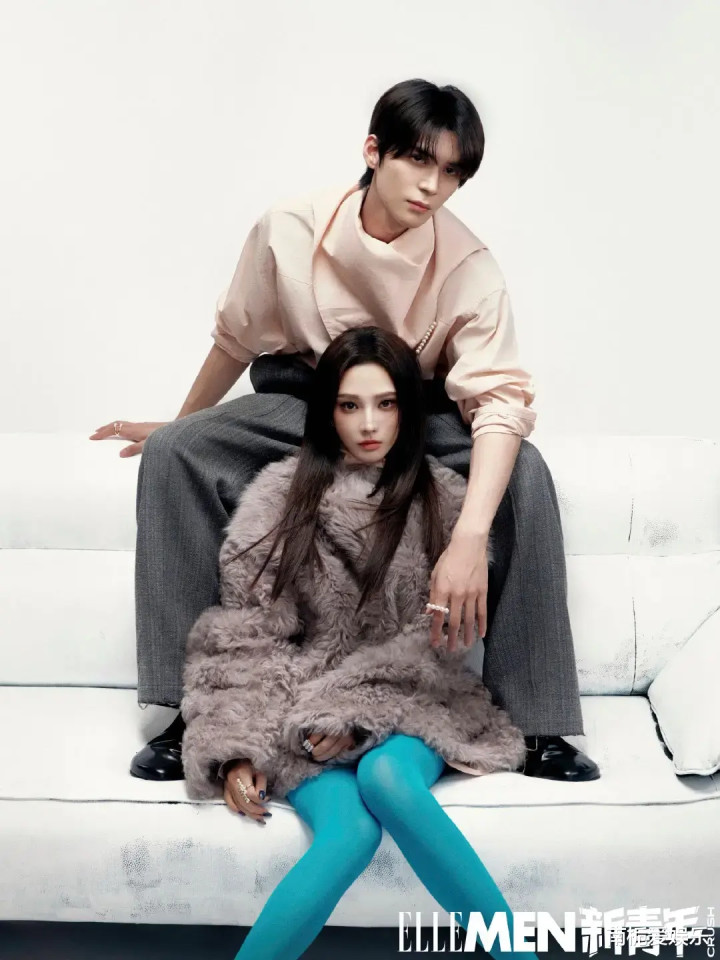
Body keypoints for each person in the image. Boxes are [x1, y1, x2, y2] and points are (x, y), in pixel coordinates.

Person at [89, 77, 599, 784]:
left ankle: (540, 725)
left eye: (452, 172)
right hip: (305, 394)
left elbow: (499, 400)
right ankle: (190, 716)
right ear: (373, 150)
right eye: (418, 160)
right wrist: (186, 423)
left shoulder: (470, 267)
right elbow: (237, 336)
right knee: (176, 453)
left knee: (525, 469)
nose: (432, 186)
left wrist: (469, 538)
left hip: (412, 406)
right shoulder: (289, 228)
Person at [182, 326, 538, 960]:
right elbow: (246, 638)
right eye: (349, 405)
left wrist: (354, 713)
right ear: (327, 412)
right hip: (299, 718)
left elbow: (440, 642)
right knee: (348, 834)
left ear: (407, 408)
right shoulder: (277, 499)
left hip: (415, 701)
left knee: (388, 776)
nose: (369, 424)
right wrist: (237, 751)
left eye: (386, 403)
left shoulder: (446, 502)